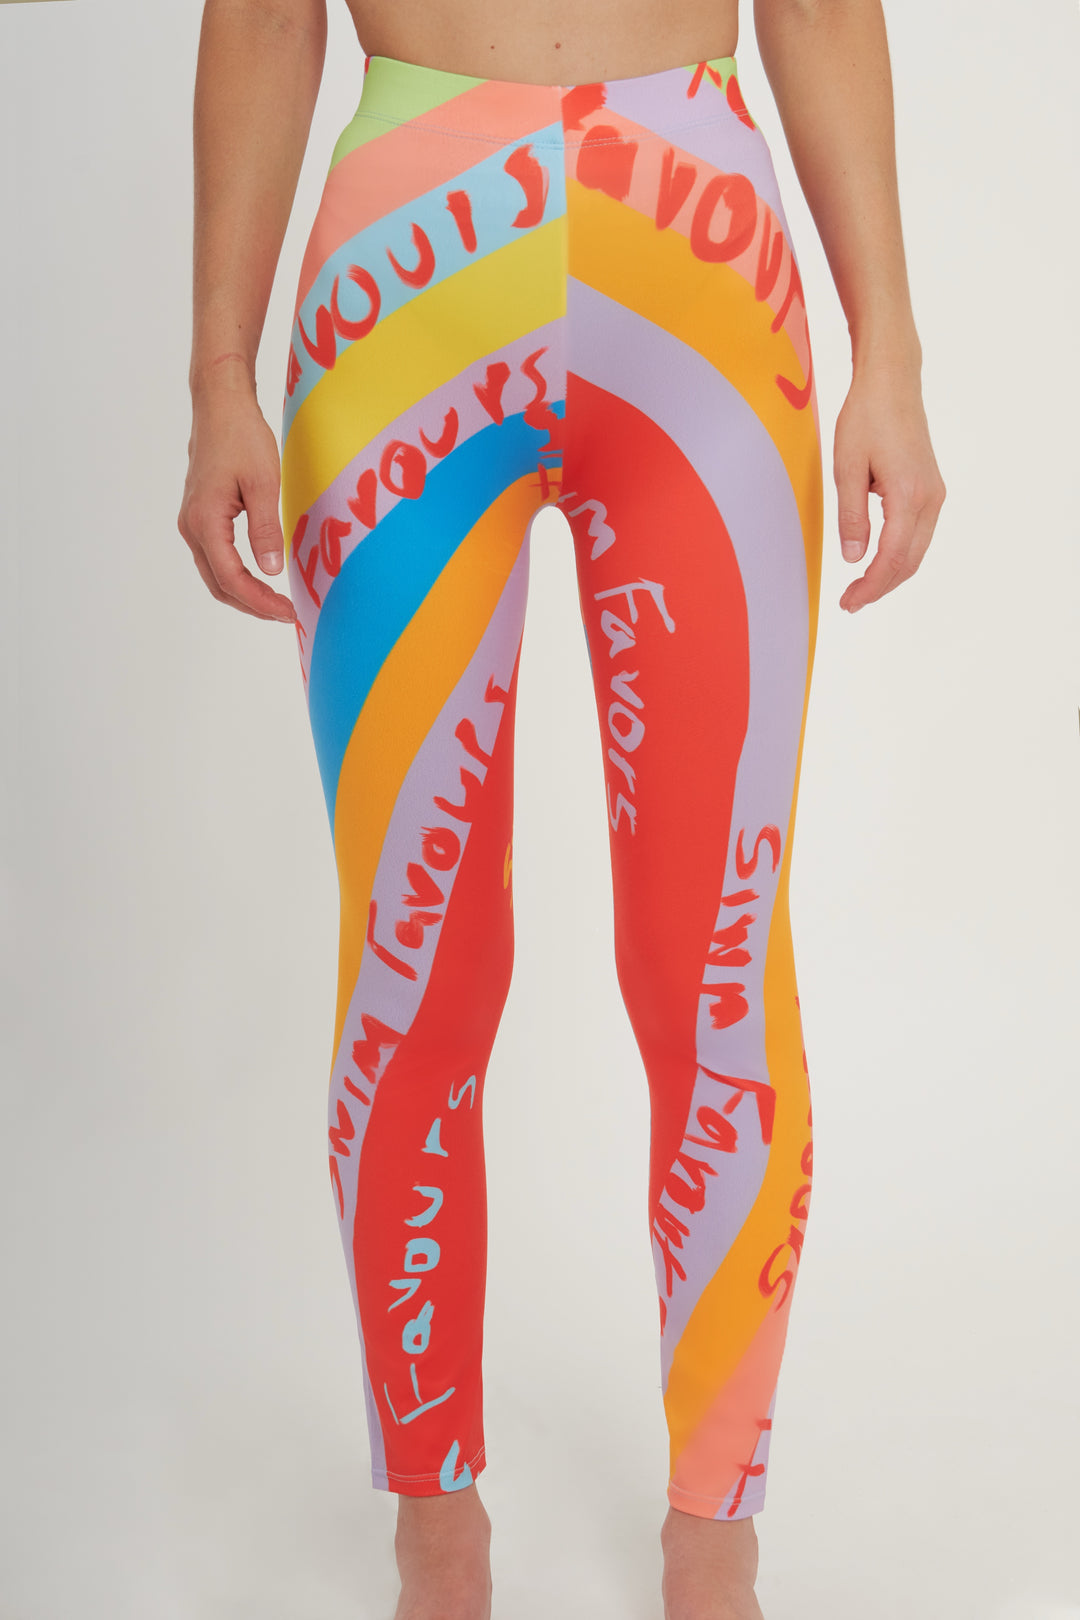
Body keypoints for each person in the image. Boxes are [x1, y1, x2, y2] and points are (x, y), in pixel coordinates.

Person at [177, 0, 945, 1614]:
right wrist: (216, 374)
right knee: (416, 966)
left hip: (699, 264)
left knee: (712, 959)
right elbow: (259, 17)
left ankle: (716, 1522)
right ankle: (433, 1509)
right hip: (405, 282)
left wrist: (894, 349)